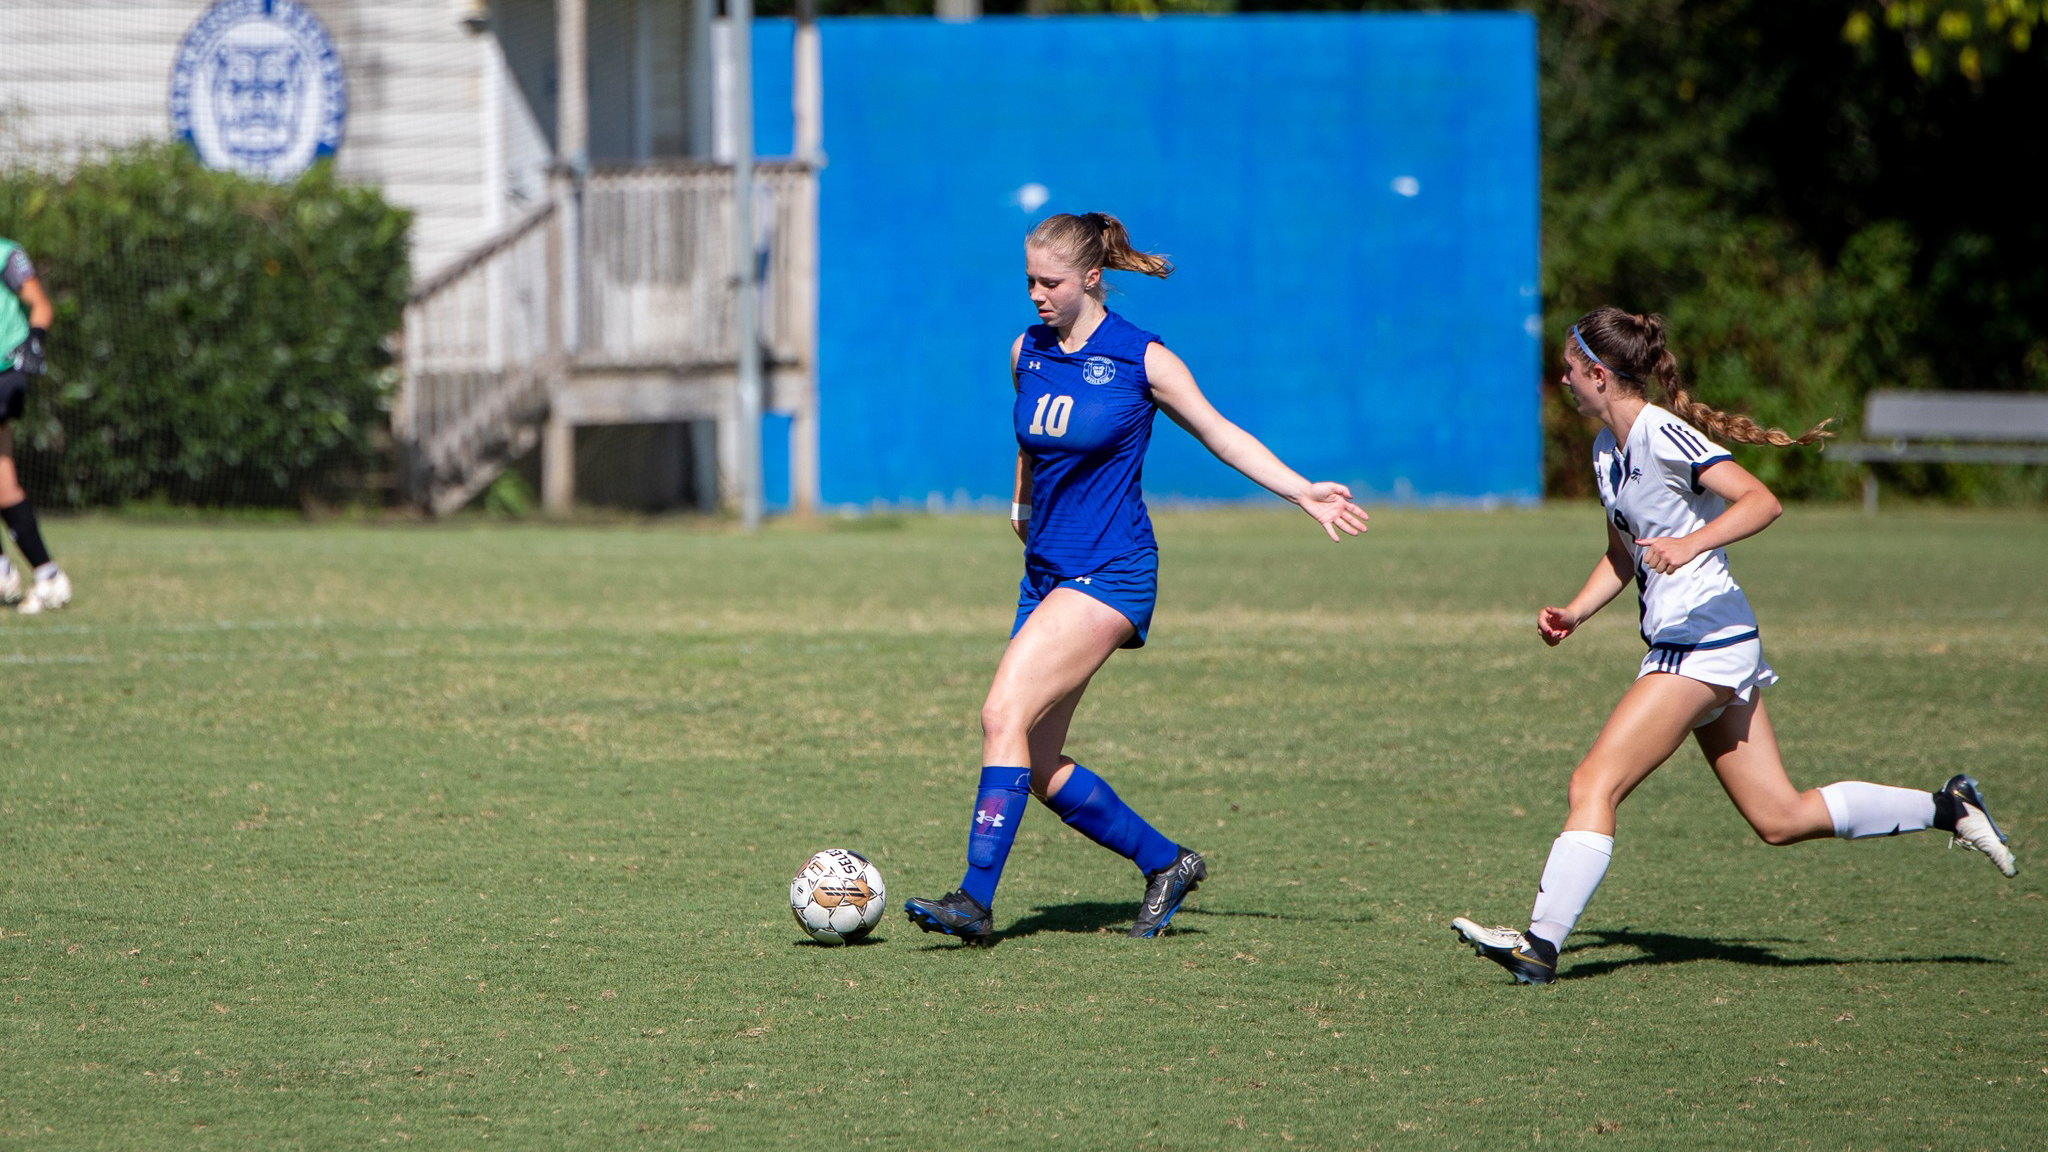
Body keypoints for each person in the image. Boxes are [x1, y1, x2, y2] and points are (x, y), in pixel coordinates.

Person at [1451, 307, 2015, 985]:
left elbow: (1759, 500)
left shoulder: (1661, 435)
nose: (1563, 381)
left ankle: (1539, 947)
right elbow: (1624, 552)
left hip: (1707, 646)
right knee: (1780, 816)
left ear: (1599, 374)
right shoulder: (1608, 450)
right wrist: (1574, 611)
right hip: (1689, 646)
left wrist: (1691, 543)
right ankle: (1947, 805)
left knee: (1592, 782)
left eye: (1569, 370)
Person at [902, 212, 1370, 946]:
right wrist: (1022, 498)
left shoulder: (1140, 357)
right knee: (1039, 757)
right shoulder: (1027, 350)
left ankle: (974, 900)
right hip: (1047, 574)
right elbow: (1028, 434)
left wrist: (1302, 490)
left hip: (1112, 570)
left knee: (1001, 715)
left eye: (1050, 281)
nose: (1035, 294)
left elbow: (1220, 433)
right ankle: (1166, 863)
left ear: (1092, 278)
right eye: (1029, 279)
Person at [0, 234, 71, 614]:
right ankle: (44, 574)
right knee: (2, 477)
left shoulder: (6, 254)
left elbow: (39, 303)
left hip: (2, 371)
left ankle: (38, 575)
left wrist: (35, 340)